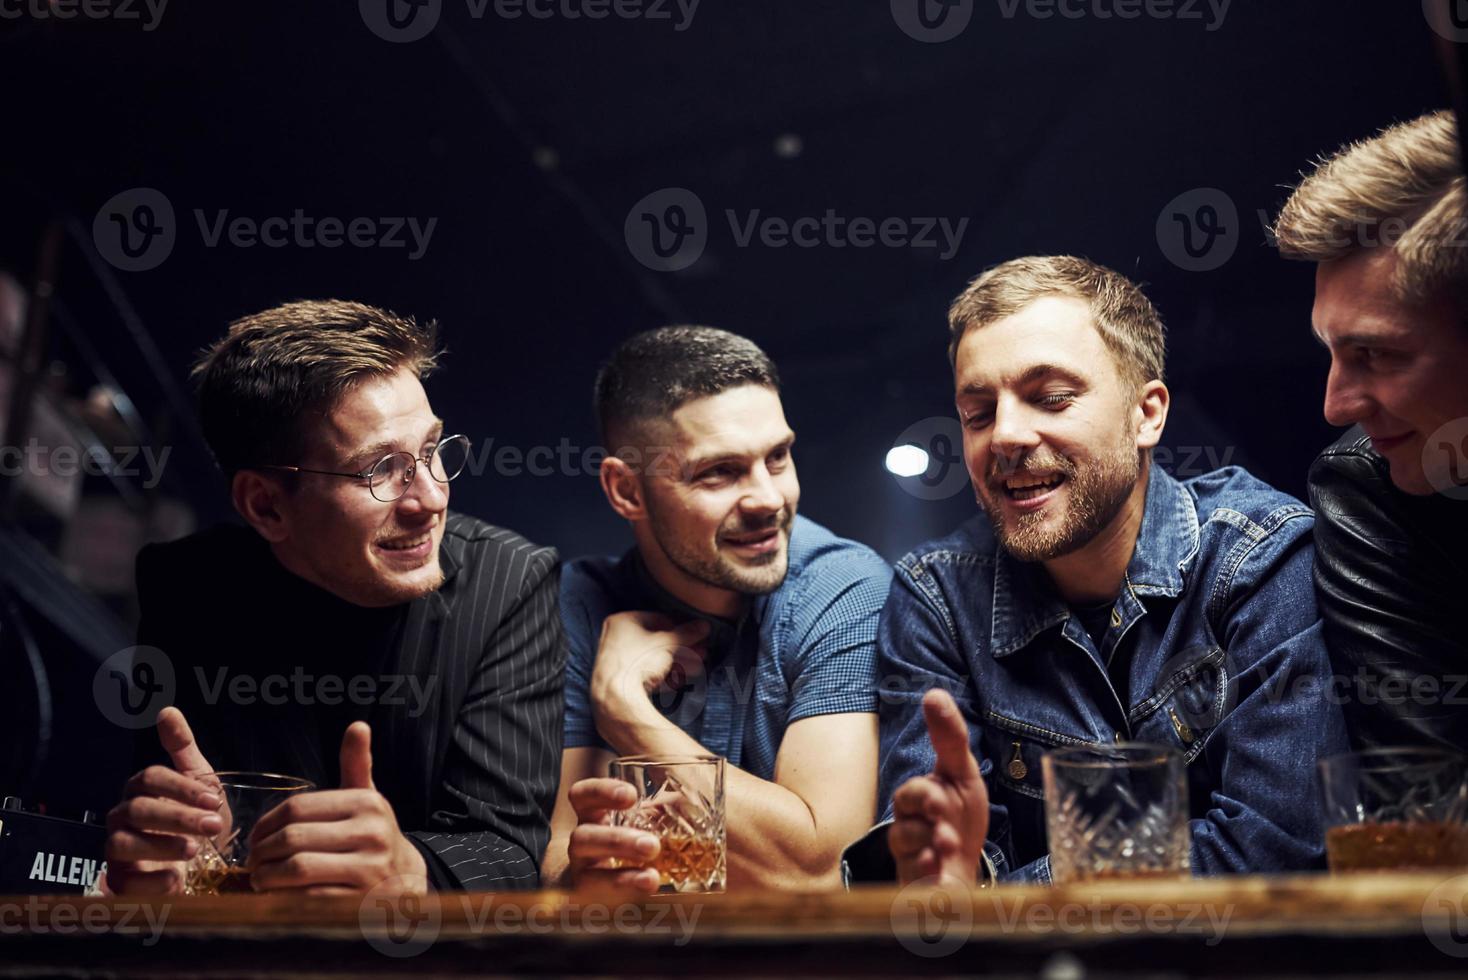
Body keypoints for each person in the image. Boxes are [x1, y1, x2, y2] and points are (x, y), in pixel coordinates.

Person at [876, 257, 1346, 886]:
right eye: (979, 413)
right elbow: (935, 879)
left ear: (1146, 414)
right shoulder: (936, 598)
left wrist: (997, 902)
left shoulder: (1258, 557)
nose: (1007, 435)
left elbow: (1277, 853)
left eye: (1052, 398)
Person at [102, 300, 566, 895]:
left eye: (431, 451)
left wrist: (407, 868)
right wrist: (164, 857)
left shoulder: (511, 582)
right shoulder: (187, 585)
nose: (430, 498)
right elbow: (194, 847)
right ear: (266, 506)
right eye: (380, 470)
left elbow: (507, 851)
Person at [544, 326, 891, 891]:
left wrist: (624, 709)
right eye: (719, 472)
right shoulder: (576, 604)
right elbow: (559, 852)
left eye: (777, 458)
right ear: (627, 491)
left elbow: (820, 869)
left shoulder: (842, 587)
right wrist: (581, 879)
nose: (768, 499)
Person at [1273, 110, 1468, 752]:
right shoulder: (1366, 488)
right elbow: (1428, 802)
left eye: (1377, 354)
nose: (1336, 406)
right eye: (1331, 352)